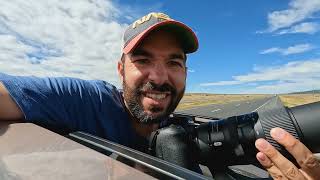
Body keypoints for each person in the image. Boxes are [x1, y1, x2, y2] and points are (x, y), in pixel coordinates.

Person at [0, 12, 319, 179]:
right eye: (142, 60)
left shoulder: (184, 127)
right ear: (120, 69)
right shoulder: (86, 100)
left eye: (174, 62)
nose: (159, 76)